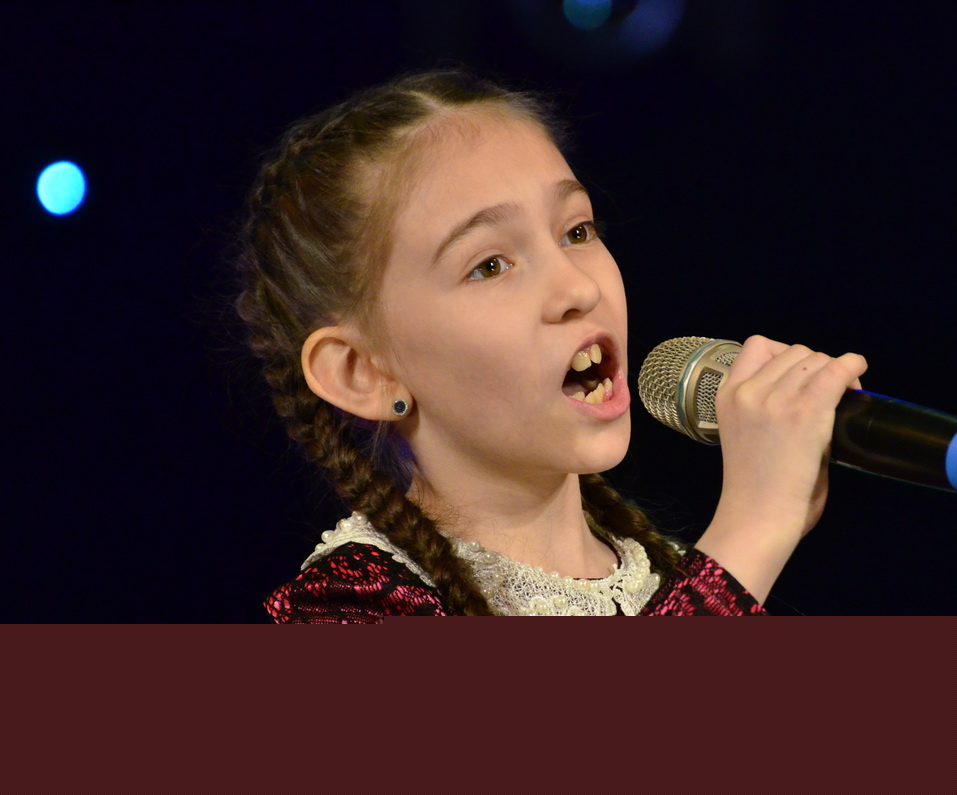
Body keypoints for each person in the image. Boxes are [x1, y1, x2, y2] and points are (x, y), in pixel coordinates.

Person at [236, 70, 867, 618]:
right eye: (489, 265)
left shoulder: (681, 581)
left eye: (577, 231)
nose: (577, 288)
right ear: (360, 372)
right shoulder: (346, 606)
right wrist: (754, 525)